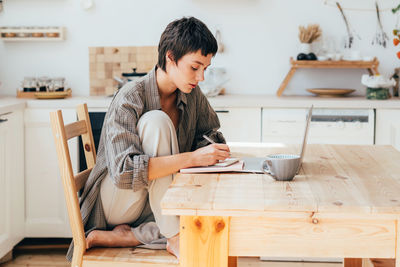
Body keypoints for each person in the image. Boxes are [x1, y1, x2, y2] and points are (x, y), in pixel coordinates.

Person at [66, 16, 229, 261]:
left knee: (201, 227)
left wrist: (213, 150)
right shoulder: (130, 97)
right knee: (157, 121)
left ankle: (131, 235)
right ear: (170, 57)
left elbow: (210, 134)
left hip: (150, 207)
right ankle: (173, 237)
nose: (201, 77)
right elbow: (124, 173)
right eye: (195, 67)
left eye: (205, 69)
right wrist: (193, 158)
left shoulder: (192, 94)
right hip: (117, 200)